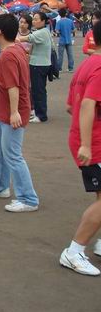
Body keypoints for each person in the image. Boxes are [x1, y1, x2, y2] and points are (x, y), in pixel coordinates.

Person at [0, 14, 39, 213]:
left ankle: (28, 198)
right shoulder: (16, 49)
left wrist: (14, 112)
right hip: (6, 110)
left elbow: (13, 87)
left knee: (13, 155)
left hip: (14, 111)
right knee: (1, 150)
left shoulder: (8, 55)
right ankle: (0, 186)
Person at [59, 19, 101, 276]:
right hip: (94, 143)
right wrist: (86, 143)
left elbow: (70, 106)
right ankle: (74, 252)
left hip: (88, 138)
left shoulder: (87, 64)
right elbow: (86, 105)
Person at [18, 12, 52, 123]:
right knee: (39, 90)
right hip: (41, 63)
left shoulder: (41, 32)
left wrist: (15, 39)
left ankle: (41, 115)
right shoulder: (44, 31)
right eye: (33, 19)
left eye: (36, 19)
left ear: (43, 21)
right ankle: (38, 112)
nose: (34, 21)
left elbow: (27, 38)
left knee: (38, 91)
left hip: (39, 65)